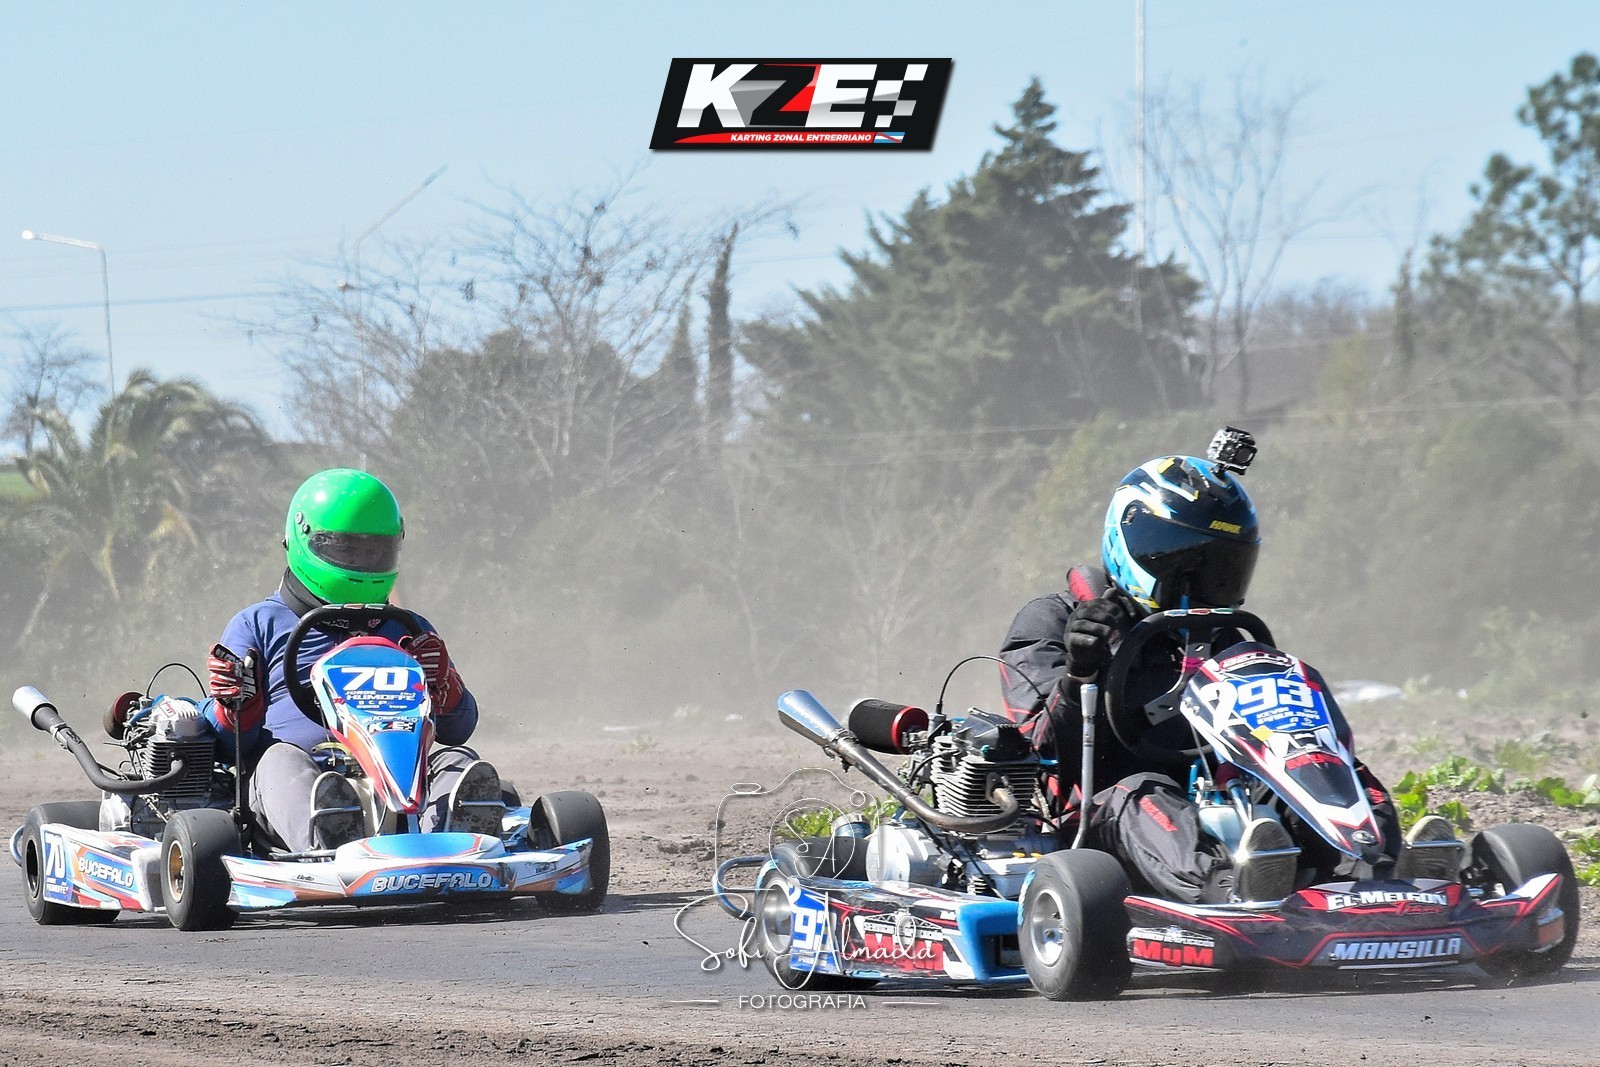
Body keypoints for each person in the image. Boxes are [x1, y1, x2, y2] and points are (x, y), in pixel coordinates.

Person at [999, 445, 1452, 904]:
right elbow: (1040, 747)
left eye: (1220, 571)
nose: (1202, 588)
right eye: (1186, 568)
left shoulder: (1227, 639)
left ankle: (1379, 871)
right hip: (1105, 811)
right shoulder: (1054, 621)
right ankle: (1227, 887)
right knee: (1144, 791)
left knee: (1319, 768)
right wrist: (1081, 673)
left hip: (1222, 797)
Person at [201, 468, 503, 853]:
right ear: (303, 540)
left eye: (374, 551)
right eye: (346, 550)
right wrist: (236, 705)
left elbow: (457, 730)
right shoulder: (258, 624)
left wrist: (445, 687)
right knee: (279, 760)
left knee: (457, 760)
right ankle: (330, 838)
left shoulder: (407, 628)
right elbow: (227, 744)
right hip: (295, 780)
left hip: (399, 782)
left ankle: (455, 842)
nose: (362, 561)